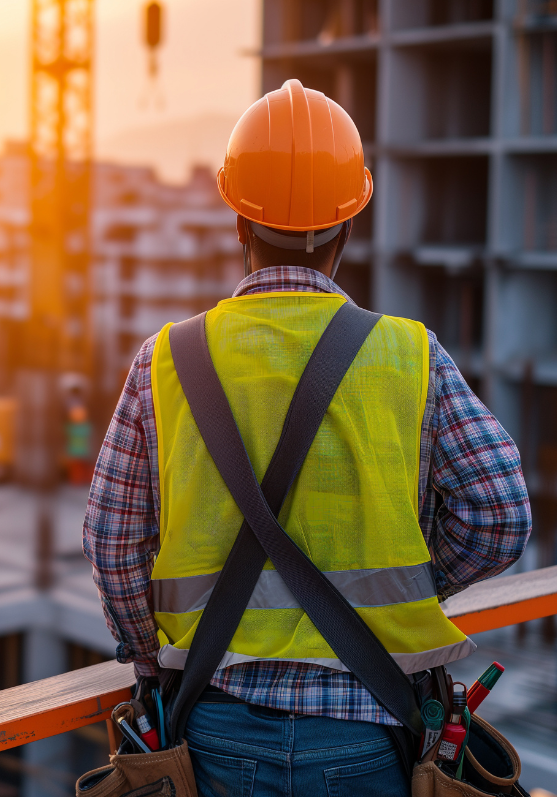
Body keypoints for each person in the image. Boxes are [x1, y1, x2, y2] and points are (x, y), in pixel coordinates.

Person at [83, 80, 531, 796]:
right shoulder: (409, 353)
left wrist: (147, 658)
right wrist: (408, 586)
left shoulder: (165, 360)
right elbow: (500, 515)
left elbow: (111, 540)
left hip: (212, 726)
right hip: (369, 730)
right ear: (350, 224)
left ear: (239, 221)